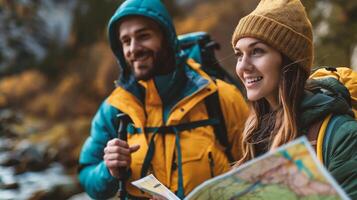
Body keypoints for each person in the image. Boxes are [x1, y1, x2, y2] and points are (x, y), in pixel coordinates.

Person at [78, 0, 249, 199]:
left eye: (143, 36)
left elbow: (255, 173)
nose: (133, 48)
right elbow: (87, 177)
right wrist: (108, 172)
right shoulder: (114, 109)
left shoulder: (221, 98)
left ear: (167, 38)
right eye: (126, 41)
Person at [231, 0, 357, 198]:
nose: (243, 66)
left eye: (257, 51)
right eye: (239, 55)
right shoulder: (256, 135)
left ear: (287, 60)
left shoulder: (342, 135)